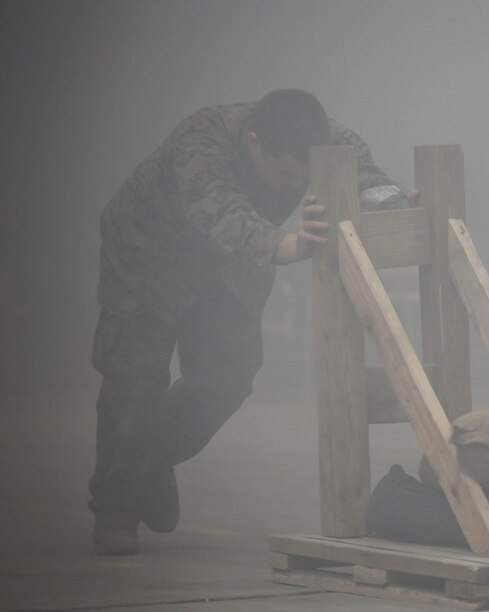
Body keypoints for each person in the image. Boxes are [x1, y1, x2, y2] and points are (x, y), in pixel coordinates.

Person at [89, 89, 412, 555]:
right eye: (285, 173)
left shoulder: (327, 139)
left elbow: (366, 177)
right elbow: (221, 213)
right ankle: (116, 513)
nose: (292, 186)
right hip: (146, 259)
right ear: (254, 142)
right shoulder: (201, 140)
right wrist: (291, 247)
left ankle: (152, 457)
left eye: (302, 177)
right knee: (133, 385)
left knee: (228, 377)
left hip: (227, 269)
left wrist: (397, 203)